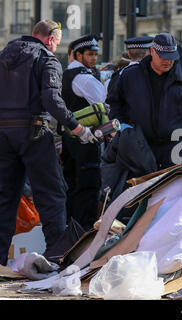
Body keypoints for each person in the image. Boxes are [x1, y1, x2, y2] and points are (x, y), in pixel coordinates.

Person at [0, 20, 96, 265]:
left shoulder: (4, 55)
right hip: (34, 132)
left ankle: (0, 262)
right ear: (51, 39)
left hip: (3, 134)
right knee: (52, 194)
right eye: (57, 42)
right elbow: (52, 99)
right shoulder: (46, 58)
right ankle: (57, 256)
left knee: (5, 198)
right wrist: (78, 128)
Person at [108, 32, 182, 169]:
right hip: (139, 145)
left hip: (177, 148)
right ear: (152, 51)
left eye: (171, 57)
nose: (167, 61)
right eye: (163, 57)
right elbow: (114, 104)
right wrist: (121, 127)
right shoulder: (130, 75)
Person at [61, 34, 106, 230]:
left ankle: (71, 228)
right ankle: (83, 231)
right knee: (88, 186)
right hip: (85, 138)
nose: (94, 58)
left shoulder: (68, 74)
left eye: (95, 54)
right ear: (78, 55)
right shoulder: (84, 77)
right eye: (89, 54)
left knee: (72, 184)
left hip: (69, 137)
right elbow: (103, 100)